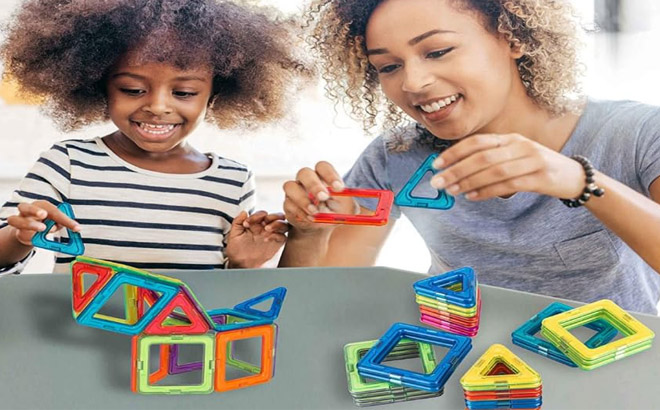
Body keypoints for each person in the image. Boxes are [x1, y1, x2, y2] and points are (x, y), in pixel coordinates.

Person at [280, 0, 660, 314]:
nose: (413, 83)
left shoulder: (637, 133)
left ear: (512, 38)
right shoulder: (393, 157)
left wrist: (579, 180)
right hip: (466, 372)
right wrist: (308, 235)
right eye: (389, 67)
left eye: (438, 51)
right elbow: (328, 302)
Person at [0, 0, 305, 274]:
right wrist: (20, 236)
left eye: (184, 92)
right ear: (99, 85)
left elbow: (225, 289)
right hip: (77, 335)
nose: (158, 107)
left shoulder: (233, 180)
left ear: (216, 94)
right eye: (133, 90)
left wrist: (242, 263)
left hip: (186, 337)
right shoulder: (68, 163)